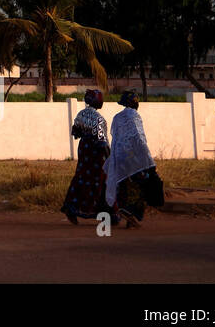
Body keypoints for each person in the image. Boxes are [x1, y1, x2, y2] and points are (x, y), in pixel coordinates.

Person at [106, 90, 157, 228]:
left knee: (123, 185)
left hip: (120, 157)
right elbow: (139, 137)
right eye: (136, 100)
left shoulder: (117, 117)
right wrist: (147, 157)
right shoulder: (135, 116)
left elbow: (115, 138)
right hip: (133, 158)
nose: (137, 103)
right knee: (143, 185)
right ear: (132, 102)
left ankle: (128, 218)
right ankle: (129, 213)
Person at [60, 89, 110, 225]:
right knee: (100, 179)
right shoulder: (99, 119)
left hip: (84, 149)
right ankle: (104, 213)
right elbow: (102, 141)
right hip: (97, 151)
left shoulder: (80, 114)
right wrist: (109, 155)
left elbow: (75, 132)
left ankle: (72, 207)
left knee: (81, 177)